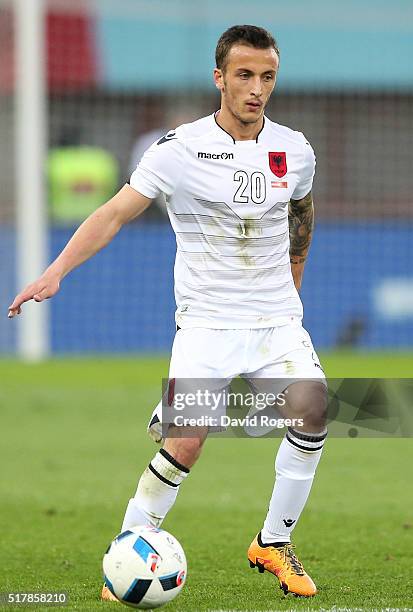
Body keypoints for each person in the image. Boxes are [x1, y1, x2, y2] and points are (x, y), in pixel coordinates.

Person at [8, 25, 328, 602]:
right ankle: (129, 546)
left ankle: (273, 542)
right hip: (206, 321)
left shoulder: (295, 148)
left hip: (276, 320)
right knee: (187, 443)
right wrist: (56, 271)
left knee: (314, 415)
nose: (257, 89)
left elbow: (301, 216)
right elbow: (113, 213)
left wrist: (293, 289)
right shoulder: (179, 149)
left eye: (267, 77)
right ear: (220, 78)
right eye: (245, 75)